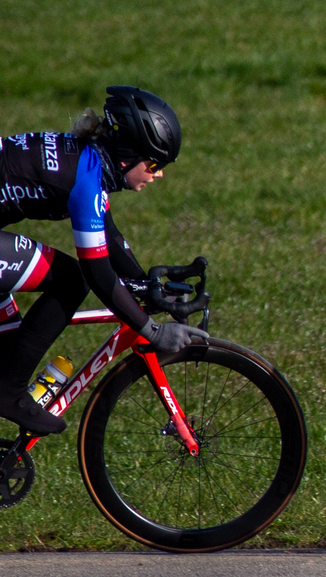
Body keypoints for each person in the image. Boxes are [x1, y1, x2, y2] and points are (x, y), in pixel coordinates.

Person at [0, 86, 205, 438]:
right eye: (153, 164)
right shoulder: (87, 182)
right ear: (126, 156)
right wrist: (151, 331)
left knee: (11, 344)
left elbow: (108, 236)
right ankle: (9, 394)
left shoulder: (88, 160)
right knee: (70, 280)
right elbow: (98, 274)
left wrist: (146, 286)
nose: (158, 175)